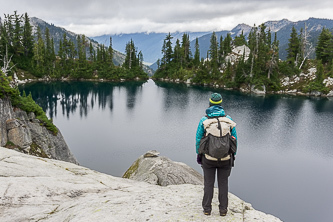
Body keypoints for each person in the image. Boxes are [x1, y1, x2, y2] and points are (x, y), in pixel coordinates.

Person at [195, 93, 237, 216]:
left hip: (208, 158)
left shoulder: (204, 120)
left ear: (210, 104)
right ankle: (223, 210)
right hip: (226, 158)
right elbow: (234, 140)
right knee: (223, 183)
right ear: (221, 104)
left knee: (208, 183)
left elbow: (198, 139)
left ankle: (207, 209)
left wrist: (199, 154)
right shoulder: (228, 119)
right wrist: (233, 154)